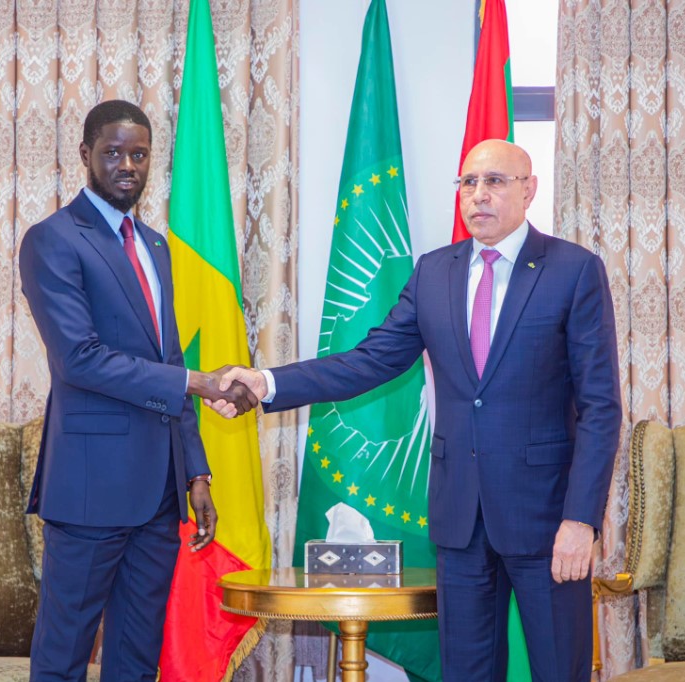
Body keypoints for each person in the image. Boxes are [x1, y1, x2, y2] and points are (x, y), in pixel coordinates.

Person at [212, 139, 621, 681]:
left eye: (495, 181)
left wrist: (580, 519)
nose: (478, 195)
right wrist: (266, 383)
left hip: (547, 520)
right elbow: (368, 361)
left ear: (529, 190)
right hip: (459, 521)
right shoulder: (434, 273)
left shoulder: (573, 270)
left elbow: (600, 408)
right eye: (468, 183)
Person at [19, 99, 256, 682]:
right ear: (85, 154)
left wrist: (196, 474)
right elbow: (79, 359)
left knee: (136, 660)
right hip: (89, 489)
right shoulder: (53, 239)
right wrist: (197, 383)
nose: (128, 165)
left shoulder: (155, 246)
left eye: (140, 155)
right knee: (63, 659)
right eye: (113, 153)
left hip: (160, 493)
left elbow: (169, 358)